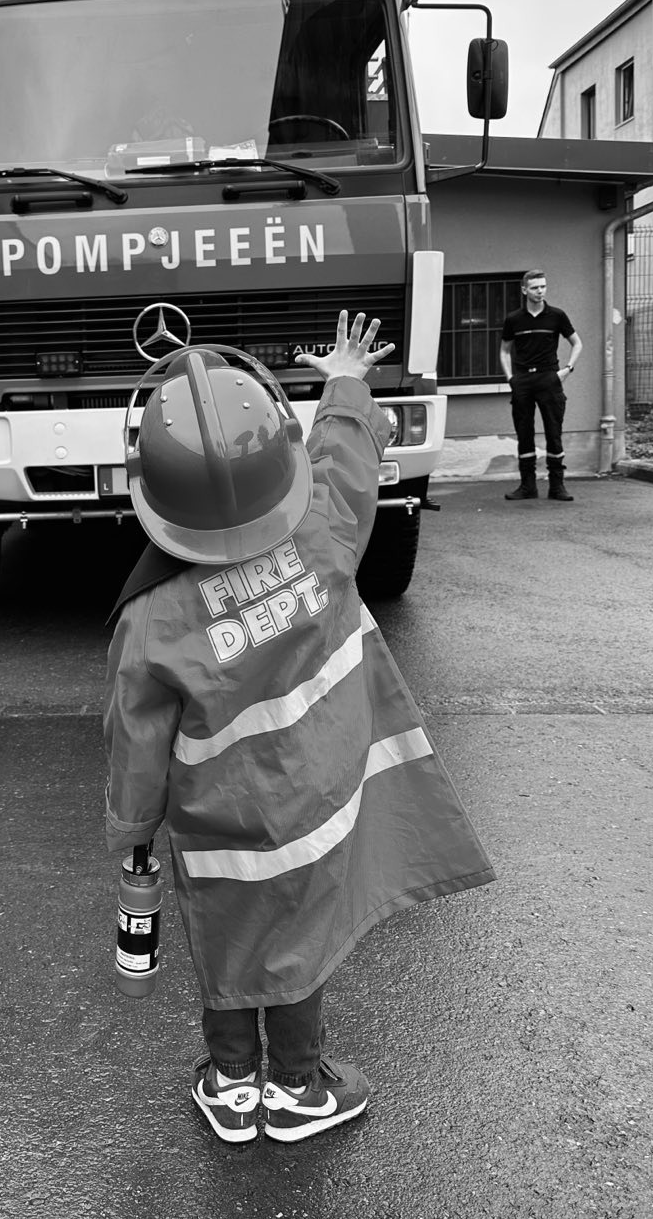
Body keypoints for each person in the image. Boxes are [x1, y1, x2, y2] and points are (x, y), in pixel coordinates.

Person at [104, 313, 496, 1146]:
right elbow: (345, 460)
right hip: (319, 808)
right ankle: (298, 1086)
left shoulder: (149, 620)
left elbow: (136, 744)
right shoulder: (320, 532)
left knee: (230, 939)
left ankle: (234, 1085)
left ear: (153, 492)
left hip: (220, 836)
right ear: (277, 460)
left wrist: (134, 834)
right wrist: (346, 378)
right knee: (299, 942)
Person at [499, 270, 583, 501]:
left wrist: (567, 370)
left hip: (549, 379)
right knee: (524, 433)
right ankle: (528, 486)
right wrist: (510, 378)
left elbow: (577, 343)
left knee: (553, 433)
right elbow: (504, 351)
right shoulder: (514, 319)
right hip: (523, 381)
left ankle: (557, 487)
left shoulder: (556, 316)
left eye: (543, 286)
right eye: (535, 287)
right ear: (525, 290)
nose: (540, 291)